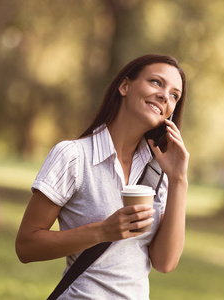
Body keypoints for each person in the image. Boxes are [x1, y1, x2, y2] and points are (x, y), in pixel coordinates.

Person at [15, 54, 189, 299]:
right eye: (156, 83)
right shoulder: (74, 156)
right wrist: (103, 231)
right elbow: (26, 246)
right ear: (125, 86)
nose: (164, 96)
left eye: (174, 95)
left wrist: (179, 179)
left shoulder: (159, 171)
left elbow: (165, 263)